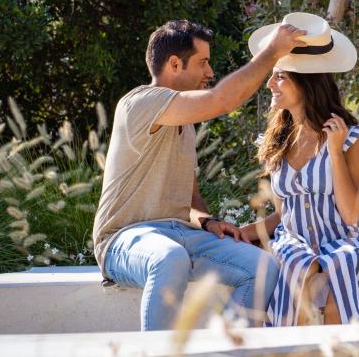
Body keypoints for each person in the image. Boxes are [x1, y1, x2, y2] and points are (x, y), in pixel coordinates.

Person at [92, 19, 307, 330]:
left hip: (180, 235)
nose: (210, 72)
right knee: (169, 257)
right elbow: (223, 100)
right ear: (175, 64)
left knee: (263, 267)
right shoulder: (139, 103)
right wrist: (271, 52)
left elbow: (189, 198)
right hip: (124, 240)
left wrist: (208, 222)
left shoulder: (186, 126)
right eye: (203, 62)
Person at [239, 12, 359, 326]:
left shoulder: (350, 137)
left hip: (349, 240)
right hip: (295, 241)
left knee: (340, 263)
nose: (270, 83)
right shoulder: (275, 140)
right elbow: (285, 214)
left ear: (306, 83)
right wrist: (244, 233)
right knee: (296, 263)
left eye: (280, 76)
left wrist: (333, 150)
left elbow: (352, 214)